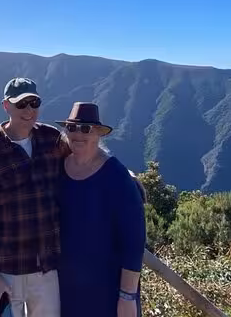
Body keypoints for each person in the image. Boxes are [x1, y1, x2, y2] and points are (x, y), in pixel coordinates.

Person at [0, 77, 70, 317]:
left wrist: (122, 174)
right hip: (6, 269)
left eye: (34, 103)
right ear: (6, 106)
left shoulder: (51, 139)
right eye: (21, 104)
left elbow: (84, 158)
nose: (29, 110)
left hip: (46, 267)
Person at [56, 102, 146, 317]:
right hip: (66, 287)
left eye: (86, 128)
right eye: (72, 128)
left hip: (107, 289)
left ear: (98, 134)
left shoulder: (117, 176)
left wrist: (127, 296)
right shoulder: (59, 168)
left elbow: (134, 242)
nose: (78, 134)